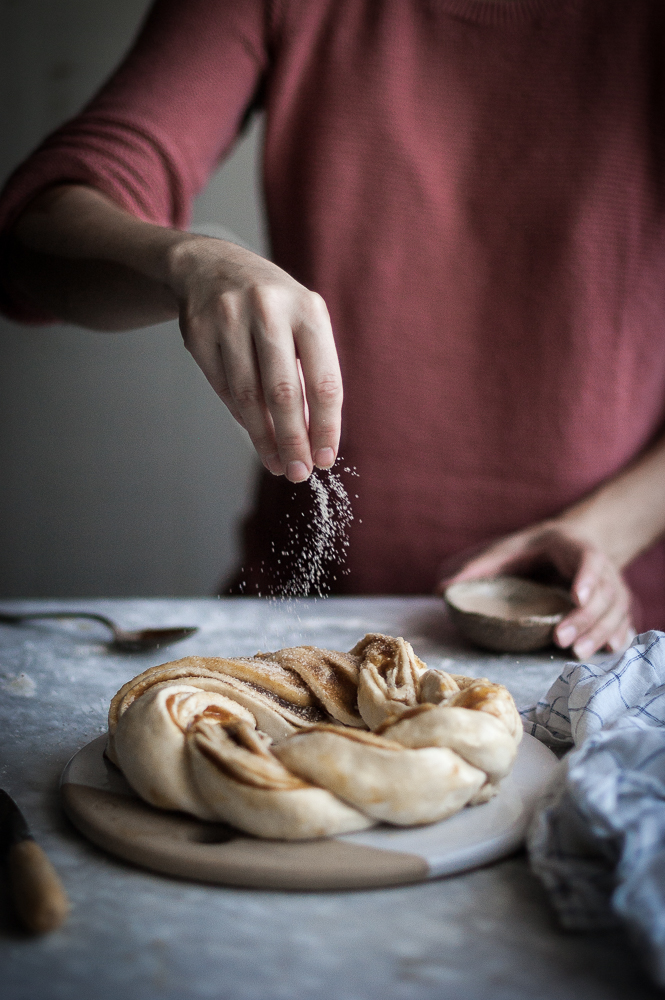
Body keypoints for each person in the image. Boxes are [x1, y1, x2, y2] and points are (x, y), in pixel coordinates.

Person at [2, 0, 665, 659]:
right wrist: (189, 262)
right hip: (300, 631)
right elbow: (36, 233)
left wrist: (601, 535)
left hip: (603, 637)